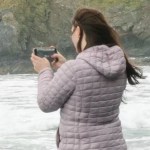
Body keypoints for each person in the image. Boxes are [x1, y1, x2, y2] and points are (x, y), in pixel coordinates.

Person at [31, 8, 144, 150]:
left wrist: (44, 70)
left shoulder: (74, 69)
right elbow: (89, 82)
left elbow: (45, 103)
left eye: (72, 31)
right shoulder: (119, 65)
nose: (72, 37)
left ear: (78, 31)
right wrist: (64, 67)